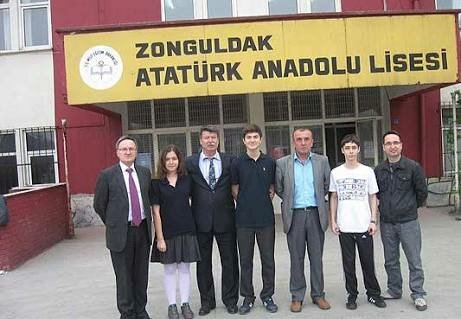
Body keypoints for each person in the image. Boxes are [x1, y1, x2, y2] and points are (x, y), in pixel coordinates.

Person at [93, 136, 152, 319]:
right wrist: (114, 223)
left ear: (136, 152)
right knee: (124, 277)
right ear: (117, 152)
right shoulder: (107, 175)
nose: (128, 152)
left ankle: (141, 311)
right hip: (120, 233)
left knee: (141, 275)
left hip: (142, 230)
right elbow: (99, 205)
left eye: (131, 149)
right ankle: (127, 313)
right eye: (124, 149)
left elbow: (147, 199)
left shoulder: (144, 173)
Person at [275, 127, 331, 312]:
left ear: (312, 141)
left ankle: (318, 295)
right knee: (296, 258)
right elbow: (280, 188)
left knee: (317, 258)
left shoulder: (322, 161)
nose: (303, 142)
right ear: (294, 142)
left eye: (306, 139)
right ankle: (297, 296)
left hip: (315, 214)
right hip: (295, 214)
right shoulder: (282, 163)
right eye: (299, 139)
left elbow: (326, 185)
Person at [185, 126, 239, 316]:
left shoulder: (229, 160)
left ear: (218, 140)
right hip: (200, 220)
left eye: (213, 137)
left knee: (230, 261)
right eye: (206, 138)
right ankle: (207, 302)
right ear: (200, 140)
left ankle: (231, 300)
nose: (210, 141)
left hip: (226, 218)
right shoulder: (190, 163)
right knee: (203, 263)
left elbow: (237, 185)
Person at [329, 134, 386, 310]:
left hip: (363, 225)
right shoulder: (336, 172)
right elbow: (334, 197)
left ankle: (373, 294)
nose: (351, 151)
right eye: (347, 148)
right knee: (348, 264)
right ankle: (351, 295)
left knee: (367, 263)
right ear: (342, 151)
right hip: (344, 226)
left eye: (354, 148)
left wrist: (373, 220)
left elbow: (373, 197)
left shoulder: (367, 171)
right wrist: (333, 221)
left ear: (358, 149)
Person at [374, 130, 428, 311]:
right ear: (383, 147)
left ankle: (418, 293)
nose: (392, 146)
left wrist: (409, 208)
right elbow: (375, 194)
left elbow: (422, 193)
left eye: (395, 142)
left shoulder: (413, 167)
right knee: (390, 259)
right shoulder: (378, 170)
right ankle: (394, 289)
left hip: (408, 222)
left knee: (414, 259)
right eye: (388, 143)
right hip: (387, 223)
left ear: (401, 145)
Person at [231, 124, 278, 315]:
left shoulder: (270, 162)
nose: (252, 140)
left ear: (260, 139)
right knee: (246, 260)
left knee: (268, 260)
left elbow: (272, 188)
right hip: (244, 221)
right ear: (244, 141)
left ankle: (267, 296)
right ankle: (248, 298)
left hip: (266, 219)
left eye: (255, 137)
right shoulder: (237, 162)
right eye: (248, 137)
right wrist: (245, 203)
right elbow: (234, 189)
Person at [151, 145, 201, 319]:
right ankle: (172, 305)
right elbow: (156, 212)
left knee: (185, 269)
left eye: (174, 158)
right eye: (168, 159)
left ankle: (185, 304)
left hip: (187, 230)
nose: (171, 162)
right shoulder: (156, 183)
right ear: (163, 162)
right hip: (167, 233)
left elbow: (195, 202)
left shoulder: (187, 180)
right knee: (170, 270)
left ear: (179, 161)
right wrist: (160, 238)